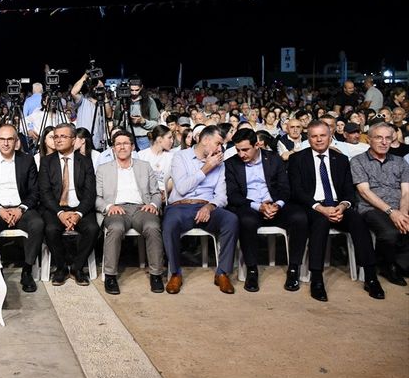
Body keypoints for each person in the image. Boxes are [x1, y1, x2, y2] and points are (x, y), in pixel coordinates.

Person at [287, 120, 385, 301]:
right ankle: (317, 278)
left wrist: (342, 206)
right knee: (321, 221)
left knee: (357, 219)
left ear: (330, 136)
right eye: (314, 136)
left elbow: (349, 191)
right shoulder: (297, 159)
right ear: (308, 138)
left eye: (322, 135)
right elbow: (297, 191)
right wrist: (321, 208)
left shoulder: (341, 159)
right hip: (312, 206)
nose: (319, 140)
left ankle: (371, 277)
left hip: (337, 205)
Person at [225, 129, 308, 292]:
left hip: (275, 203)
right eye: (238, 150)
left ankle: (293, 269)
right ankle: (251, 270)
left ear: (257, 145)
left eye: (245, 150)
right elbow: (232, 195)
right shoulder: (231, 163)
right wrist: (259, 206)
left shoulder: (274, 159)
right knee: (246, 221)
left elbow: (285, 188)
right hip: (250, 206)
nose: (241, 154)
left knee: (300, 217)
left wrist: (277, 204)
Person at [164, 125, 238, 295]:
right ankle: (175, 273)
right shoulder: (180, 157)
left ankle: (222, 273)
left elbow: (222, 196)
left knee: (231, 220)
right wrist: (206, 168)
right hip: (180, 206)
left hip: (206, 206)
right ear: (205, 140)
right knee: (170, 222)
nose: (220, 149)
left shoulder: (220, 164)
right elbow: (182, 188)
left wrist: (209, 206)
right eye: (218, 144)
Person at [0, 124, 44, 293]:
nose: (6, 143)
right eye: (2, 139)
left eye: (9, 139)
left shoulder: (27, 160)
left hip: (21, 208)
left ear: (16, 141)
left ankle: (27, 271)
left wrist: (20, 209)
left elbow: (35, 191)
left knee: (37, 224)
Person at [95, 131, 164, 294]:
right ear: (113, 148)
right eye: (118, 144)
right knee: (115, 228)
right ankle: (110, 276)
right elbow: (97, 197)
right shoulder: (103, 169)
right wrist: (109, 207)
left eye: (125, 143)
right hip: (116, 209)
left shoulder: (144, 166)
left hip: (142, 208)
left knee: (152, 226)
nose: (122, 147)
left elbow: (156, 193)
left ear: (132, 146)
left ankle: (156, 275)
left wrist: (153, 204)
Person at [38, 123, 98, 286]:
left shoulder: (85, 161)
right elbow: (45, 192)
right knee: (50, 229)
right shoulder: (46, 162)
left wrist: (78, 214)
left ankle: (77, 268)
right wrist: (60, 213)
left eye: (63, 136)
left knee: (92, 229)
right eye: (56, 137)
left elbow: (90, 193)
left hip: (80, 208)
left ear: (73, 140)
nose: (58, 140)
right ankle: (61, 268)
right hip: (56, 209)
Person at [350, 122, 409, 286]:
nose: (384, 142)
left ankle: (401, 265)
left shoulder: (400, 162)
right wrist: (392, 212)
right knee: (390, 232)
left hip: (400, 207)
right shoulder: (358, 161)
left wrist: (403, 212)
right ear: (368, 140)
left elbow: (406, 191)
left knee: (405, 224)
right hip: (371, 208)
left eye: (388, 138)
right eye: (378, 138)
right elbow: (365, 192)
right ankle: (387, 266)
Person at [134, 125, 174, 203]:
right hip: (145, 196)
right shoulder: (141, 155)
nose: (172, 141)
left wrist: (164, 192)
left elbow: (173, 179)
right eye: (169, 138)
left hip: (164, 197)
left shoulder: (172, 156)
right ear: (159, 139)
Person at [127, 79, 161, 151]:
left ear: (141, 87)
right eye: (132, 90)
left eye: (137, 90)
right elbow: (116, 121)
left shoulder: (149, 101)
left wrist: (143, 121)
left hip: (144, 138)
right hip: (128, 137)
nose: (134, 93)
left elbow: (155, 123)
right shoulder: (124, 100)